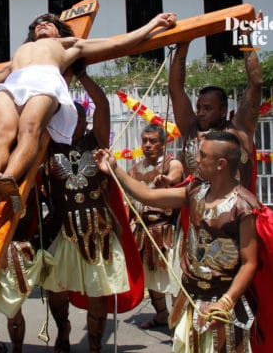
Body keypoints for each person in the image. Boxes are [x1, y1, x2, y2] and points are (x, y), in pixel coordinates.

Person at [0, 12, 177, 184]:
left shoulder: (68, 45)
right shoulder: (18, 54)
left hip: (44, 81)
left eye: (48, 22)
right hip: (12, 85)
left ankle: (7, 179)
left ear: (59, 32)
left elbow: (119, 43)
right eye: (38, 23)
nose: (42, 23)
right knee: (2, 132)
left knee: (29, 131)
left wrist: (154, 23)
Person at [94, 131, 261, 352]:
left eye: (202, 155)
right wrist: (115, 169)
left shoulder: (244, 206)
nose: (197, 160)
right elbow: (146, 195)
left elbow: (250, 263)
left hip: (224, 307)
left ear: (220, 164)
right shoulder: (195, 192)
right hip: (191, 300)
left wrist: (225, 302)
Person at [40, 63, 142, 352]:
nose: (79, 124)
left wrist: (82, 74)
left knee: (99, 294)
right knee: (54, 289)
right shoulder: (48, 146)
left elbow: (103, 103)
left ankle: (95, 347)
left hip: (98, 229)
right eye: (72, 119)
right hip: (61, 228)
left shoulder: (95, 142)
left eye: (82, 119)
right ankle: (63, 332)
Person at [168, 12, 263, 191]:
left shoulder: (239, 130)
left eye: (208, 108)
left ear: (223, 111)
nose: (201, 112)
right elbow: (176, 89)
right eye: (199, 107)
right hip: (196, 215)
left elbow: (256, 83)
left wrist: (245, 37)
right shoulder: (191, 128)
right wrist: (184, 43)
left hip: (232, 216)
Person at [127, 124, 183, 329]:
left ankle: (178, 319)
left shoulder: (171, 163)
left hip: (167, 230)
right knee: (151, 279)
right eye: (145, 141)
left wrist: (167, 179)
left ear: (162, 143)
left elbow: (177, 174)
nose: (148, 145)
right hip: (143, 230)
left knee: (174, 278)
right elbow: (129, 200)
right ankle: (161, 315)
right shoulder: (135, 169)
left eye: (153, 141)